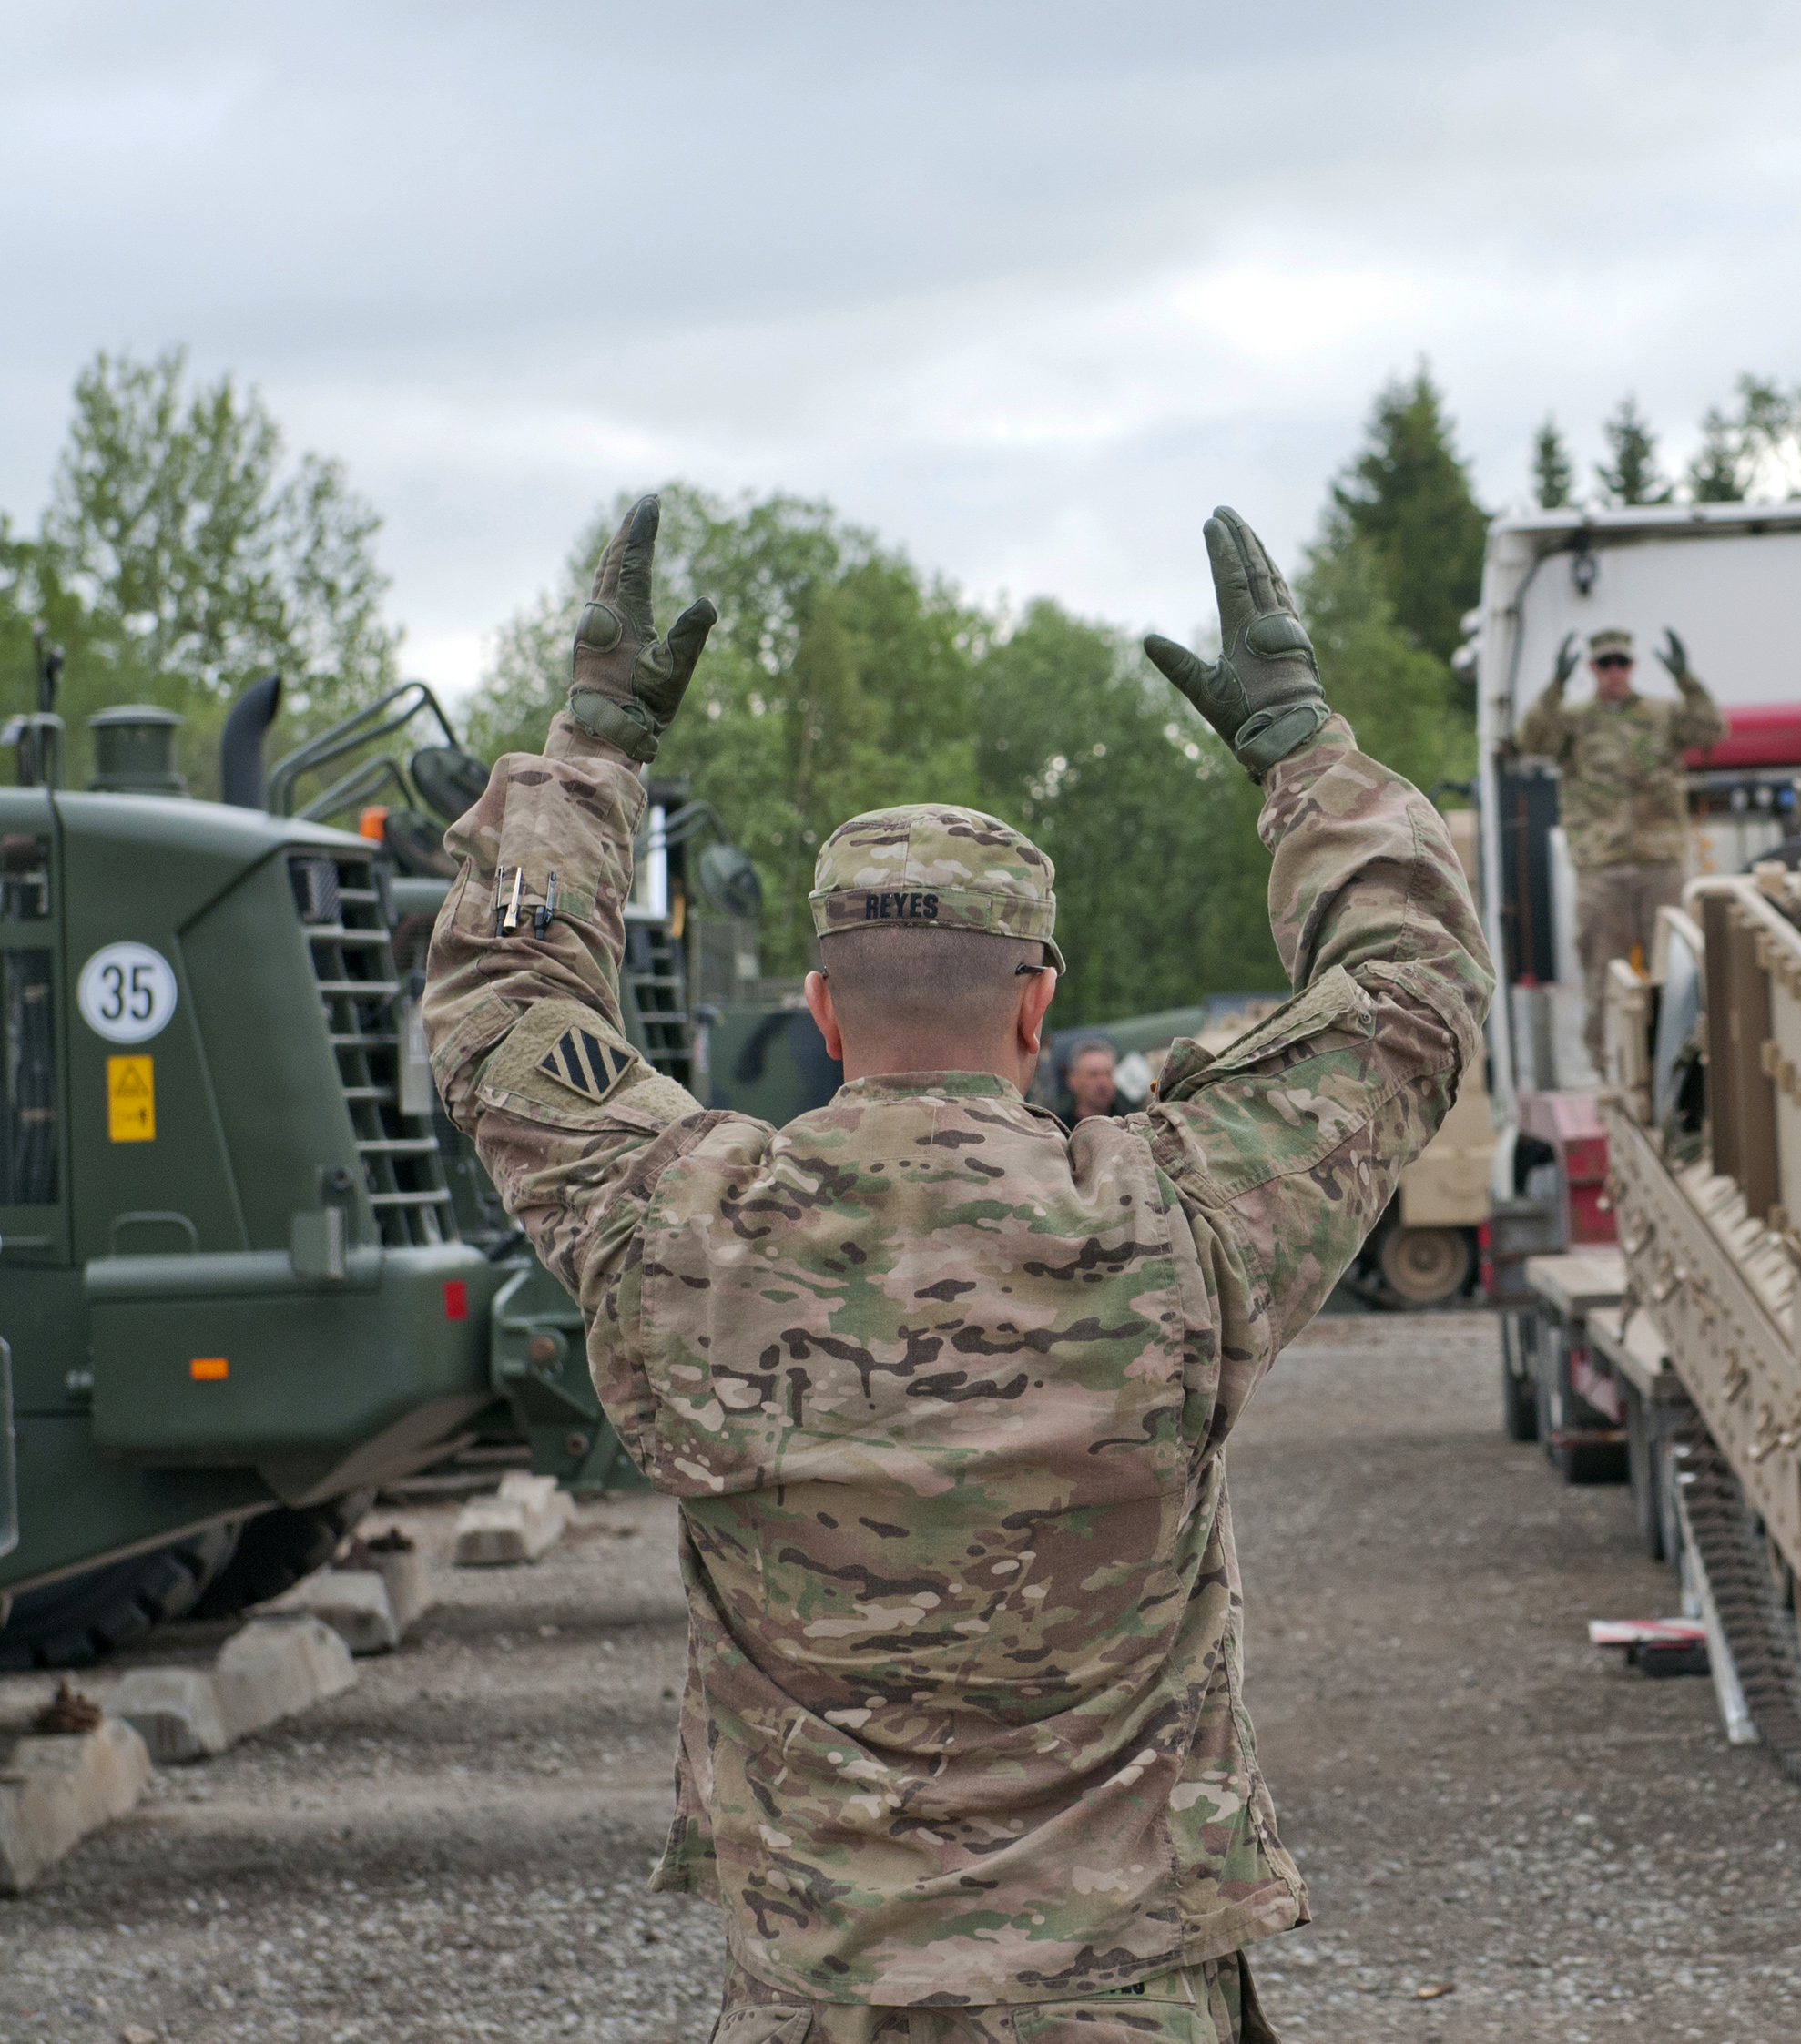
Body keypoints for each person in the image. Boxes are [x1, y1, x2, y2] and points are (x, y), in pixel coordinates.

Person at [423, 496, 1492, 2044]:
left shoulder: (688, 1222)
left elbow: (503, 992)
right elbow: (1411, 987)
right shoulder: (1172, 1222)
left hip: (820, 1994)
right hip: (1120, 1992)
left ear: (822, 1009)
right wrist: (1304, 752)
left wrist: (591, 748)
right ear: (1037, 1004)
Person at [1511, 625, 1721, 1067]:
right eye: (1604, 663)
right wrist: (1554, 686)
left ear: (1632, 666)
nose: (1613, 672)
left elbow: (1712, 729)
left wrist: (1687, 679)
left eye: (1620, 662)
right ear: (1591, 668)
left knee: (1674, 970)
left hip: (1659, 863)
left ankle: (1681, 1060)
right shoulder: (1572, 720)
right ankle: (1608, 1064)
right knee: (1603, 974)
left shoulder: (1663, 713)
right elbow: (1530, 740)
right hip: (1602, 867)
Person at [1041, 1032, 1130, 1126]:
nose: (1103, 1082)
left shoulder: (1128, 1125)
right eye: (1093, 1074)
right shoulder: (1059, 1128)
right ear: (1072, 1080)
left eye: (1108, 1074)